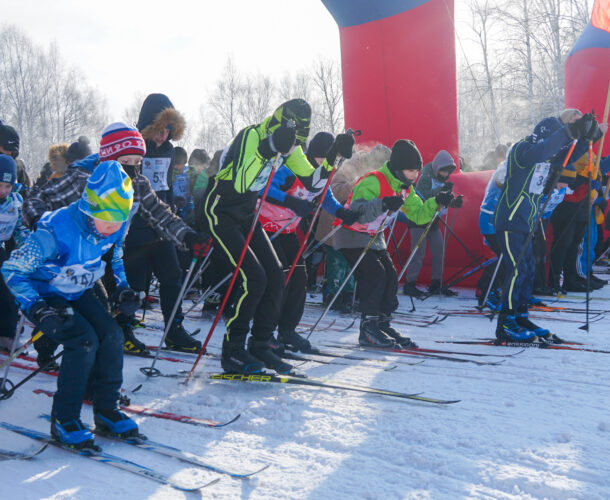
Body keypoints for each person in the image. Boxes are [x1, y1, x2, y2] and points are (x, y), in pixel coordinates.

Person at [21, 123, 209, 354]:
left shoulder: (137, 184)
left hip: (106, 256)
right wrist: (44, 228)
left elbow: (161, 215)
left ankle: (97, 377)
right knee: (81, 317)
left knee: (104, 322)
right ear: (108, 160)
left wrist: (189, 237)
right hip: (68, 257)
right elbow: (34, 201)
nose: (131, 169)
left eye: (136, 162)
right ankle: (50, 340)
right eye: (124, 163)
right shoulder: (84, 180)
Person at [1, 161, 140, 448]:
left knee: (112, 334)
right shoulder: (54, 233)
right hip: (44, 293)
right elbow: (12, 270)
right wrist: (38, 307)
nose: (112, 228)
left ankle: (106, 411)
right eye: (107, 220)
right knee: (83, 341)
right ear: (90, 207)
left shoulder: (114, 225)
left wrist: (124, 288)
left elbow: (115, 256)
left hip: (77, 289)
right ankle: (64, 419)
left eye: (119, 221)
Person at [204, 98, 336, 374]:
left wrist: (331, 162)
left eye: (299, 142)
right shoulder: (251, 136)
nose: (295, 148)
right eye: (293, 141)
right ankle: (233, 350)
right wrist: (268, 149)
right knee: (254, 277)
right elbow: (242, 182)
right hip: (221, 209)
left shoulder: (290, 147)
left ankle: (261, 344)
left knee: (276, 275)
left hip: (246, 213)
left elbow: (312, 182)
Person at [333, 139, 453, 347]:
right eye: (411, 170)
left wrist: (437, 202)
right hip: (351, 235)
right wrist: (383, 204)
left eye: (417, 170)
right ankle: (368, 328)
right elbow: (357, 213)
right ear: (398, 168)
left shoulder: (405, 188)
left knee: (390, 275)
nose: (415, 175)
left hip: (373, 237)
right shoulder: (373, 181)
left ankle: (382, 322)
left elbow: (418, 215)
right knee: (375, 274)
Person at [494, 112, 599, 342]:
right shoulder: (523, 149)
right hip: (510, 219)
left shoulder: (543, 156)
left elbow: (565, 157)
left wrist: (588, 137)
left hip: (526, 220)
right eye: (553, 139)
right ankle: (506, 322)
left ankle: (520, 315)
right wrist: (568, 132)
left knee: (528, 269)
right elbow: (544, 149)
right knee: (517, 270)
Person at [258, 131, 357, 353]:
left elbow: (325, 196)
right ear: (315, 154)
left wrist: (342, 212)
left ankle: (287, 331)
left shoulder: (320, 176)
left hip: (287, 230)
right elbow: (264, 188)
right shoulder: (291, 168)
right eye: (324, 158)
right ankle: (265, 332)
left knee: (299, 278)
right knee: (279, 279)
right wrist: (291, 201)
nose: (326, 164)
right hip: (266, 229)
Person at [403, 150, 462, 297]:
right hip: (419, 219)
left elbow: (440, 201)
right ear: (437, 168)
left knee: (439, 251)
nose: (445, 175)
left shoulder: (442, 178)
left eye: (447, 173)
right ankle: (409, 284)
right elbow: (420, 194)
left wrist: (453, 202)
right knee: (418, 252)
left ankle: (436, 283)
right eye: (443, 172)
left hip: (433, 219)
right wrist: (440, 190)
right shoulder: (426, 175)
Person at [0, 154, 29, 349]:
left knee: (9, 288)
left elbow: (20, 230)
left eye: (7, 186)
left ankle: (6, 334)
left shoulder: (15, 201)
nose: (3, 191)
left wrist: (28, 249)